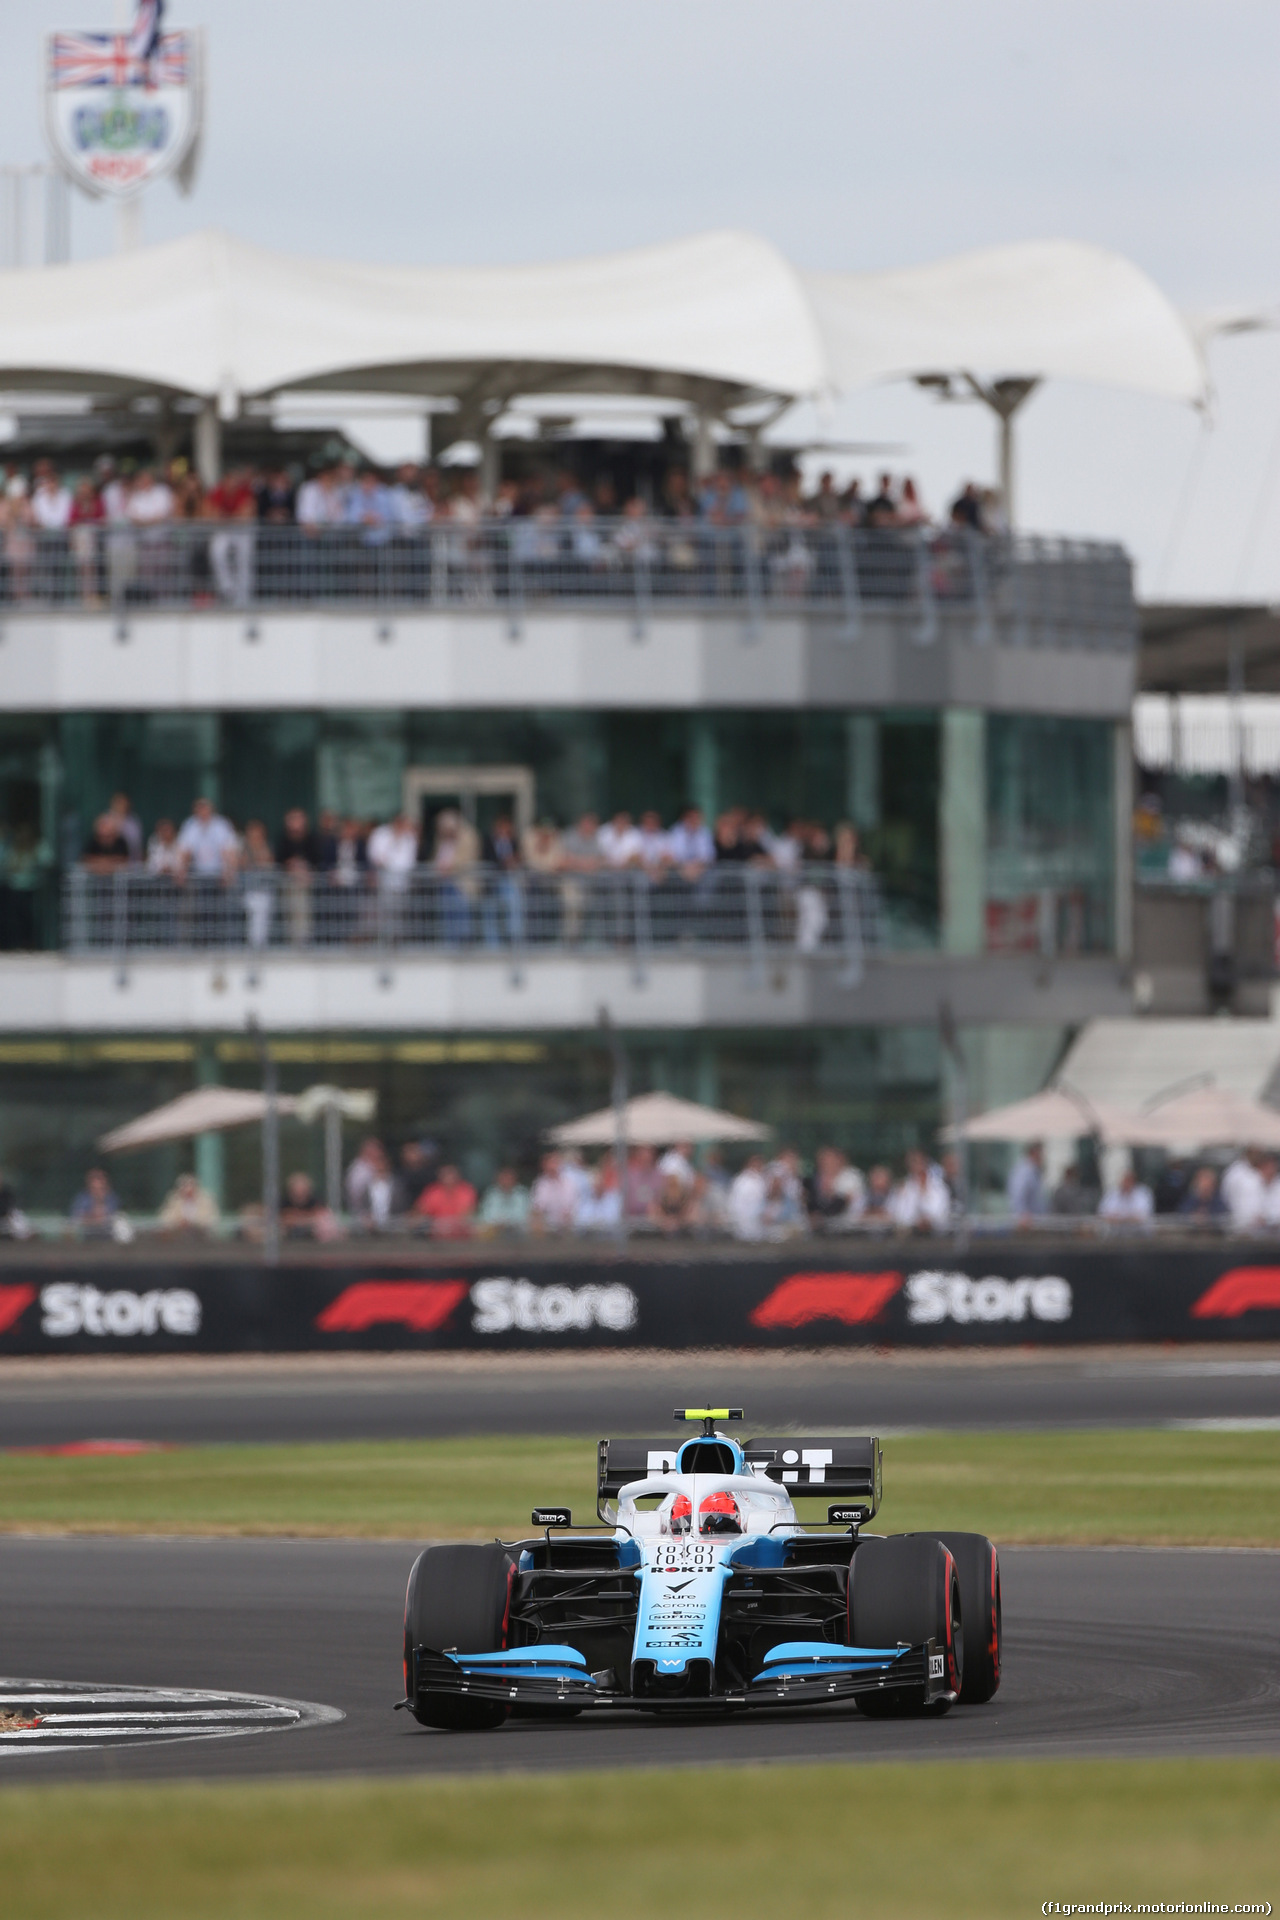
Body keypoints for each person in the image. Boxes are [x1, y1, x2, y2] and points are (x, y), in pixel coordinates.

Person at [888, 1148, 952, 1232]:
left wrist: (928, 1220)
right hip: (912, 1234)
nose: (917, 1165)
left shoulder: (939, 1187)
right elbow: (899, 1215)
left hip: (936, 1234)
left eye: (919, 1162)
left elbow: (943, 1212)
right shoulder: (903, 1187)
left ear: (926, 1162)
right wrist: (916, 1221)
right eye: (913, 1162)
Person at [414, 1164, 477, 1237]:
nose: (448, 1177)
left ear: (458, 1176)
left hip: (462, 1239)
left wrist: (449, 1225)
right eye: (445, 1174)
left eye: (451, 1174)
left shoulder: (467, 1191)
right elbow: (420, 1213)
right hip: (435, 1239)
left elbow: (467, 1215)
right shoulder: (432, 1191)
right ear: (439, 1176)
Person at [344, 1137, 394, 1228]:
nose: (379, 1153)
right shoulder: (358, 1170)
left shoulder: (382, 1171)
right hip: (362, 1215)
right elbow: (357, 1195)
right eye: (377, 1150)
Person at [156, 1172, 220, 1238]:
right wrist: (178, 1221)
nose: (187, 1189)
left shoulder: (206, 1200)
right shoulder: (174, 1199)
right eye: (184, 1186)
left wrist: (193, 1222)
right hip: (178, 1237)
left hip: (201, 1238)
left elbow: (212, 1219)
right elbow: (165, 1218)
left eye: (190, 1185)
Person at [529, 1150, 577, 1234]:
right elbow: (538, 1208)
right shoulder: (540, 1184)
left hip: (567, 1227)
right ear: (544, 1166)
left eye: (555, 1163)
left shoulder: (569, 1183)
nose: (552, 1166)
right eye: (549, 1164)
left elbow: (570, 1206)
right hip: (547, 1227)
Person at [69, 1167, 123, 1239]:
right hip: (86, 1234)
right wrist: (93, 1219)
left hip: (108, 1234)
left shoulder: (111, 1197)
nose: (98, 1189)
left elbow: (109, 1217)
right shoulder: (82, 1198)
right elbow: (77, 1218)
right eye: (94, 1186)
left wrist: (100, 1200)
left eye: (101, 1186)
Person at [1221, 1149, 1266, 1229]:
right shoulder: (1234, 1172)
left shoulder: (1259, 1172)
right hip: (1238, 1224)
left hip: (1259, 1226)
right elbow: (1226, 1196)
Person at [477, 1166, 530, 1235]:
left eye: (509, 1179)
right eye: (503, 1178)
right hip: (494, 1231)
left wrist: (507, 1223)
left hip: (518, 1232)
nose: (506, 1181)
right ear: (498, 1180)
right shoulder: (491, 1194)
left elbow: (523, 1216)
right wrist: (499, 1223)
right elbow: (486, 1215)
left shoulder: (522, 1194)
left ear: (515, 1180)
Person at [727, 1153, 767, 1239]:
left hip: (758, 1221)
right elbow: (734, 1203)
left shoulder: (761, 1180)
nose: (758, 1166)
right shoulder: (741, 1181)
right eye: (755, 1163)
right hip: (743, 1221)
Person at [1007, 1141, 1047, 1221]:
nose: (1043, 1157)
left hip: (1034, 1221)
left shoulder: (1033, 1171)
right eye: (1041, 1153)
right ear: (1035, 1153)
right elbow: (1018, 1194)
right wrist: (1022, 1213)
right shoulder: (1024, 1171)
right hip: (1026, 1223)